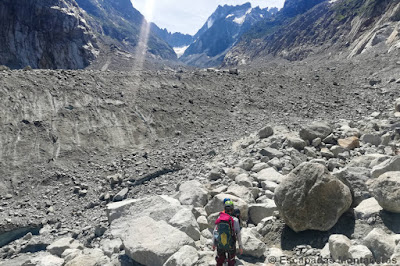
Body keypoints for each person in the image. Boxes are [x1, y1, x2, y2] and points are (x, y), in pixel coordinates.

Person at [213, 200, 243, 266]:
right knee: (231, 260)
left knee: (220, 260)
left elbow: (215, 232)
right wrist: (240, 246)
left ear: (224, 209)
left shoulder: (219, 218)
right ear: (232, 210)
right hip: (231, 244)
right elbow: (238, 234)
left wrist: (214, 244)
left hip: (220, 243)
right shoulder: (235, 220)